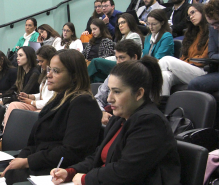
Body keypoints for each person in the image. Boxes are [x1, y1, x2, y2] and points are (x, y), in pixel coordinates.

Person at [50, 56, 181, 185]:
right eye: (109, 91)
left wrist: (86, 179)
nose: (109, 99)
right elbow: (97, 157)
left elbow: (126, 171)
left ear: (139, 94)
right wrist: (71, 172)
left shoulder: (151, 122)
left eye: (117, 92)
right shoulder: (118, 118)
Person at [3, 49, 102, 185]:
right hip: (43, 163)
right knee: (8, 173)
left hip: (58, 171)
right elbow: (35, 142)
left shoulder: (83, 103)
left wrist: (27, 162)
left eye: (56, 71)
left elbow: (71, 152)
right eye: (49, 69)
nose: (48, 75)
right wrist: (21, 159)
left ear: (74, 76)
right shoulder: (58, 99)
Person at [159, 3, 209, 96]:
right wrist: (186, 62)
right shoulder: (192, 34)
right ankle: (162, 106)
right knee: (165, 75)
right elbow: (184, 56)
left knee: (166, 60)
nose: (191, 17)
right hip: (189, 68)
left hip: (203, 71)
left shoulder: (211, 31)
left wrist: (187, 62)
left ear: (202, 12)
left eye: (193, 12)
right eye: (189, 16)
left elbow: (204, 59)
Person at [3, 45, 56, 131]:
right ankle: (5, 134)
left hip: (45, 107)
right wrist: (30, 96)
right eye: (38, 61)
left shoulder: (38, 73)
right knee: (13, 105)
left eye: (41, 61)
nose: (39, 64)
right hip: (39, 104)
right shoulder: (43, 73)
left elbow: (50, 101)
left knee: (20, 112)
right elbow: (43, 94)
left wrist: (31, 102)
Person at [94, 39, 142, 125]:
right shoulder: (112, 76)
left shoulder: (143, 78)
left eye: (122, 58)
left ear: (134, 57)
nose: (118, 62)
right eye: (117, 58)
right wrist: (102, 112)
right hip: (109, 117)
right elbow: (98, 98)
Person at [188, 0, 219, 93]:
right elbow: (211, 53)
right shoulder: (213, 29)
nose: (214, 27)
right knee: (195, 83)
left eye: (216, 23)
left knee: (195, 83)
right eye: (211, 24)